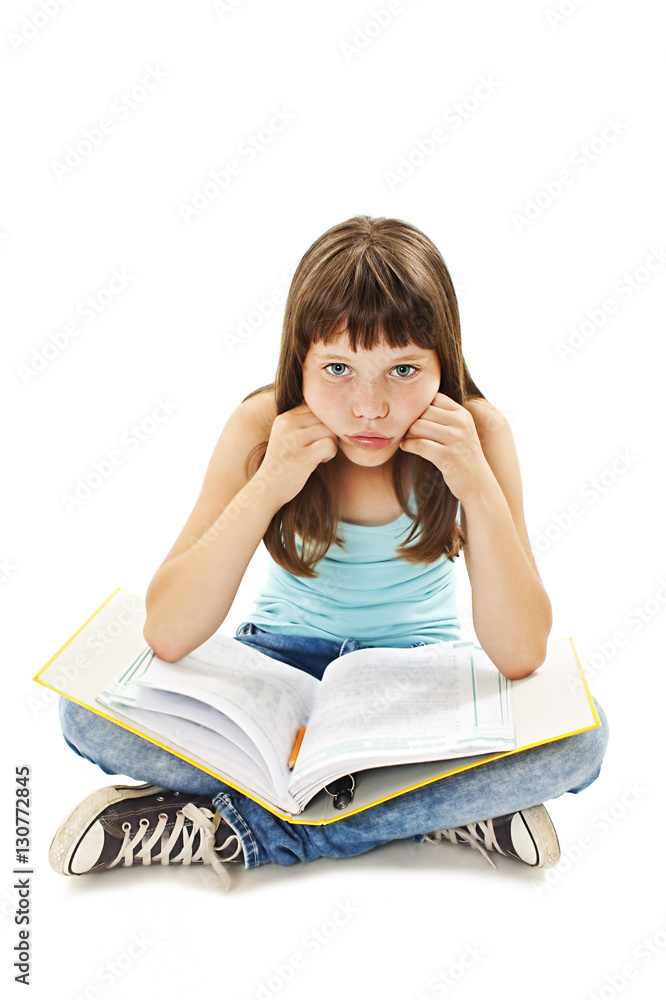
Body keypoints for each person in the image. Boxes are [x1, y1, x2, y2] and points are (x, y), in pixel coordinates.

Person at [50, 216, 608, 890]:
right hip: (278, 671)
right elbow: (167, 632)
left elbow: (520, 653)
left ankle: (247, 831)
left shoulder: (478, 433)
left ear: (444, 365)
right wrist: (272, 480)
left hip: (415, 679)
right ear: (299, 363)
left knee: (583, 737)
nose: (369, 407)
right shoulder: (263, 428)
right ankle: (423, 810)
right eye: (338, 369)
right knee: (84, 705)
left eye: (403, 370)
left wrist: (475, 484)